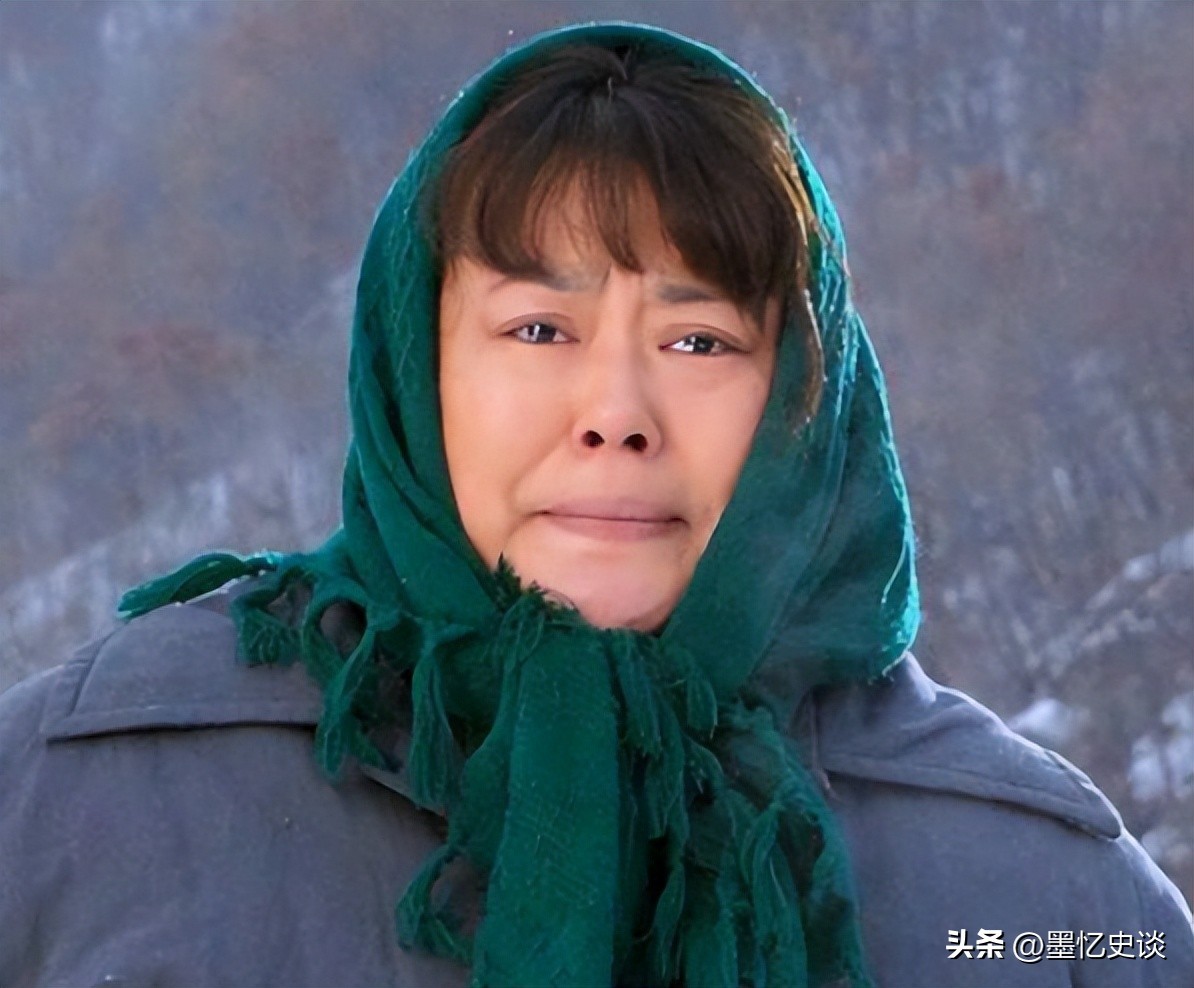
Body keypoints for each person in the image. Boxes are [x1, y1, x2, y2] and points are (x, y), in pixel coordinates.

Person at [0, 21, 1190, 988]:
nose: (617, 413)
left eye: (698, 339)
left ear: (803, 395)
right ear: (415, 368)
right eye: (538, 328)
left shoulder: (1052, 909)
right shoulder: (77, 812)